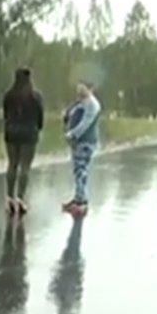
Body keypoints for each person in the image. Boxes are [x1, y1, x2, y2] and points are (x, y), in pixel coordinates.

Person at [2, 67, 44, 215]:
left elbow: (6, 113)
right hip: (29, 133)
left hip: (11, 132)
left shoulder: (9, 95)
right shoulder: (35, 96)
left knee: (12, 164)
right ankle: (20, 198)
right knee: (25, 166)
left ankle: (9, 198)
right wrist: (37, 128)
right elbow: (40, 117)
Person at [62, 82, 101, 216]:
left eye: (83, 86)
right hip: (78, 142)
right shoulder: (82, 102)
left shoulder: (92, 104)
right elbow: (69, 115)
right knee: (78, 170)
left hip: (85, 142)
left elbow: (85, 123)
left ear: (90, 88)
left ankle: (81, 202)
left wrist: (72, 134)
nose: (79, 89)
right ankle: (78, 197)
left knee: (80, 170)